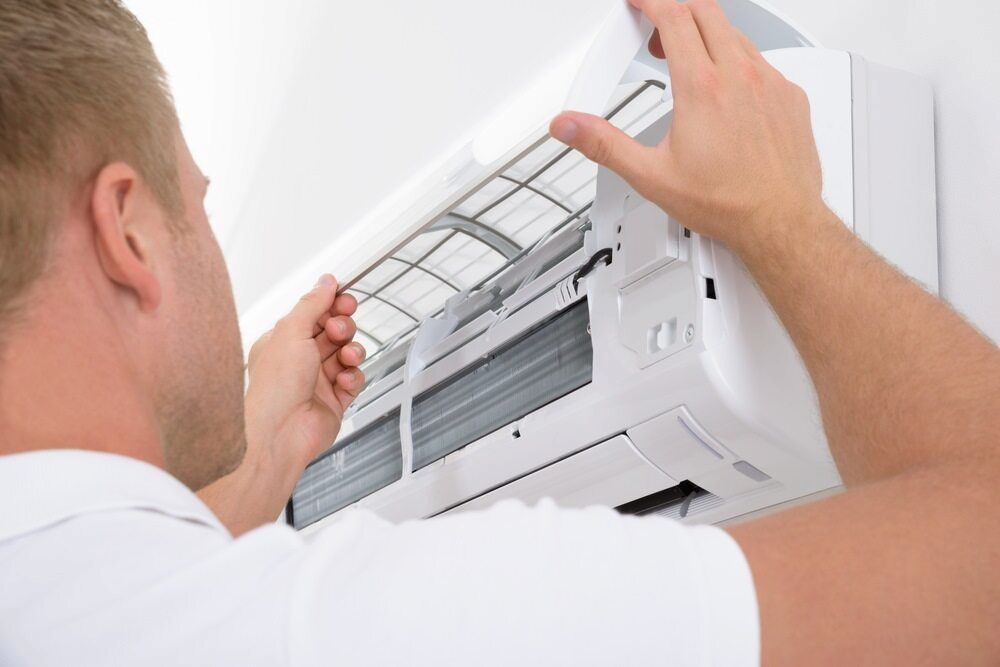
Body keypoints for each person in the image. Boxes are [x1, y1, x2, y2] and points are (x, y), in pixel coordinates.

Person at [0, 0, 996, 664]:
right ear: (127, 230)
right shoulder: (360, 627)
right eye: (198, 209)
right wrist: (783, 220)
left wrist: (263, 467)